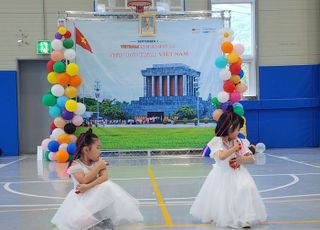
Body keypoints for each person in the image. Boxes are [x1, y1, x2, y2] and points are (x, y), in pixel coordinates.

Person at [190, 107, 267, 228]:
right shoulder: (217, 141)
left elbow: (252, 158)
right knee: (225, 197)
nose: (238, 132)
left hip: (239, 173)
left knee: (246, 188)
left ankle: (244, 218)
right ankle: (228, 217)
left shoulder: (240, 141)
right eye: (236, 129)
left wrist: (243, 159)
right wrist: (234, 149)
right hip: (223, 174)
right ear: (228, 128)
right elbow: (221, 156)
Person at [51, 129, 143, 230]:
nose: (100, 151)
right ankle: (95, 222)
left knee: (107, 185)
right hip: (81, 199)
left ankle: (100, 219)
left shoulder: (98, 161)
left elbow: (105, 177)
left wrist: (88, 186)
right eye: (98, 148)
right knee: (80, 221)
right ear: (86, 150)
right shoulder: (75, 164)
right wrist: (98, 167)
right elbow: (84, 180)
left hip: (93, 196)